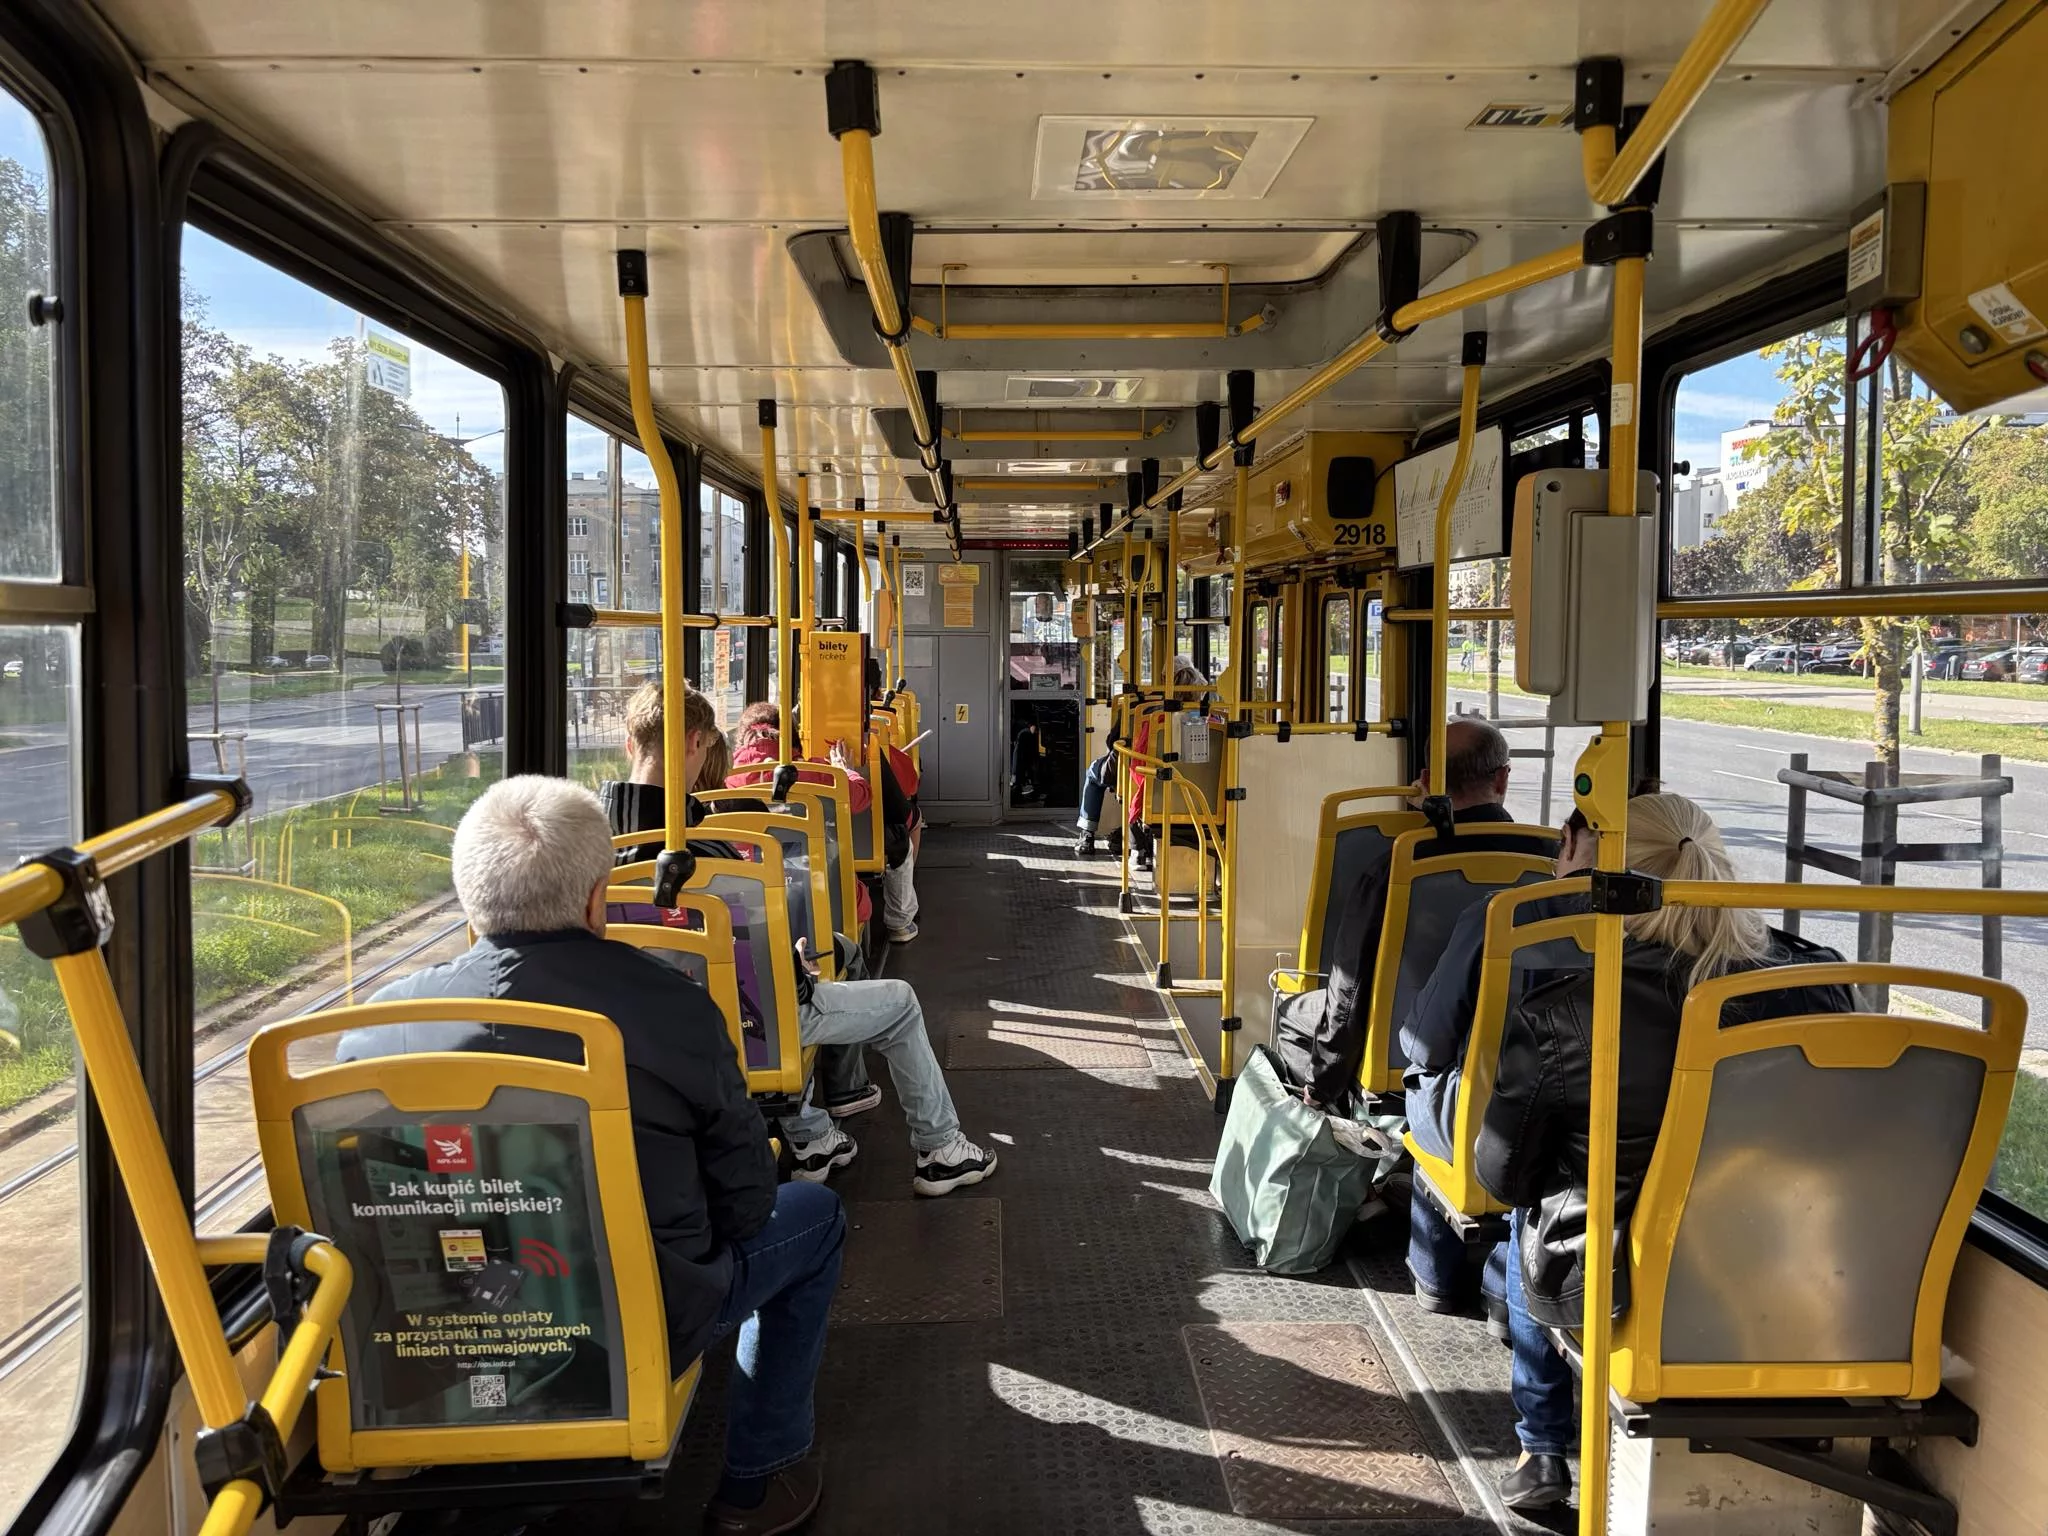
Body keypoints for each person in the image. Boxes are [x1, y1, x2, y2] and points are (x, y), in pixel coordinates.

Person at [341, 777, 841, 1535]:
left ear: (469, 896)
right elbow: (747, 1204)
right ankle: (754, 1485)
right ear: (595, 897)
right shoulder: (670, 1005)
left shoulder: (378, 1030)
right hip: (640, 1320)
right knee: (818, 1218)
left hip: (433, 1336)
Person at [1474, 793, 1854, 1511]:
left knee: (1534, 1221)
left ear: (1607, 881)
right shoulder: (1820, 981)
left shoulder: (1573, 1006)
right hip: (1799, 1269)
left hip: (1623, 1283)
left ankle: (1543, 1447)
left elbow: (1502, 1173)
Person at [611, 685, 998, 1195]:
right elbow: (751, 967)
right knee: (894, 1000)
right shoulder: (704, 847)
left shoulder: (594, 842)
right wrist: (795, 968)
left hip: (641, 1035)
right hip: (739, 1028)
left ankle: (814, 1134)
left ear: (627, 744)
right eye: (706, 747)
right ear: (694, 742)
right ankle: (941, 1148)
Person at [1281, 718, 1547, 1110]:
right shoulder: (1545, 860)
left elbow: (1349, 989)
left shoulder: (1397, 865)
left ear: (1426, 778)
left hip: (1401, 1048)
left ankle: (1326, 1122)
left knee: (1293, 1013)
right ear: (1503, 779)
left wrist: (1322, 1084)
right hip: (1515, 1049)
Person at [1125, 658, 1206, 872]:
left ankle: (1139, 852)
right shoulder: (1213, 719)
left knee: (1142, 786)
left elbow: (1138, 762)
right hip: (1204, 800)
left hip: (1162, 798)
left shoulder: (1157, 720)